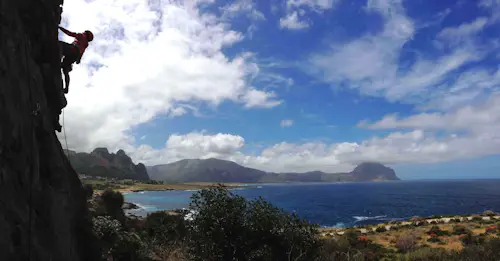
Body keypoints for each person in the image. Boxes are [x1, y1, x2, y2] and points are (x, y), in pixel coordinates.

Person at [58, 26, 94, 93]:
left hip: (73, 49)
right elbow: (81, 54)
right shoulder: (85, 44)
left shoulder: (81, 36)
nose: (83, 32)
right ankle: (66, 88)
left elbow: (69, 33)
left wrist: (59, 27)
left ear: (86, 34)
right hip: (75, 56)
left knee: (60, 44)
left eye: (84, 32)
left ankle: (57, 59)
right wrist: (78, 60)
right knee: (65, 70)